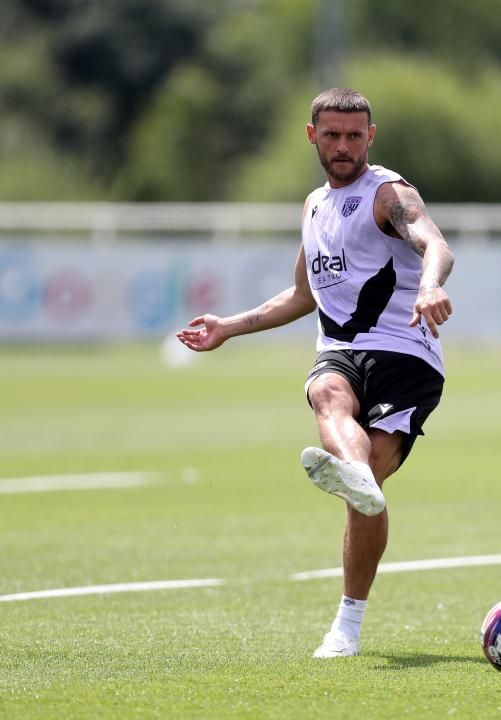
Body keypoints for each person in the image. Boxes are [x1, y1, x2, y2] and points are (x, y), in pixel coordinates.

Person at [177, 87, 454, 659]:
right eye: (332, 135)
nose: (344, 146)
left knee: (365, 495)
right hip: (341, 351)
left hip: (406, 354)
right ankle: (346, 623)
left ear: (370, 137)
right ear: (312, 136)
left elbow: (433, 242)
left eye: (355, 135)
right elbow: (304, 295)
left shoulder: (388, 193)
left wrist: (429, 286)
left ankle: (348, 614)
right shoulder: (313, 206)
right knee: (328, 391)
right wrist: (230, 325)